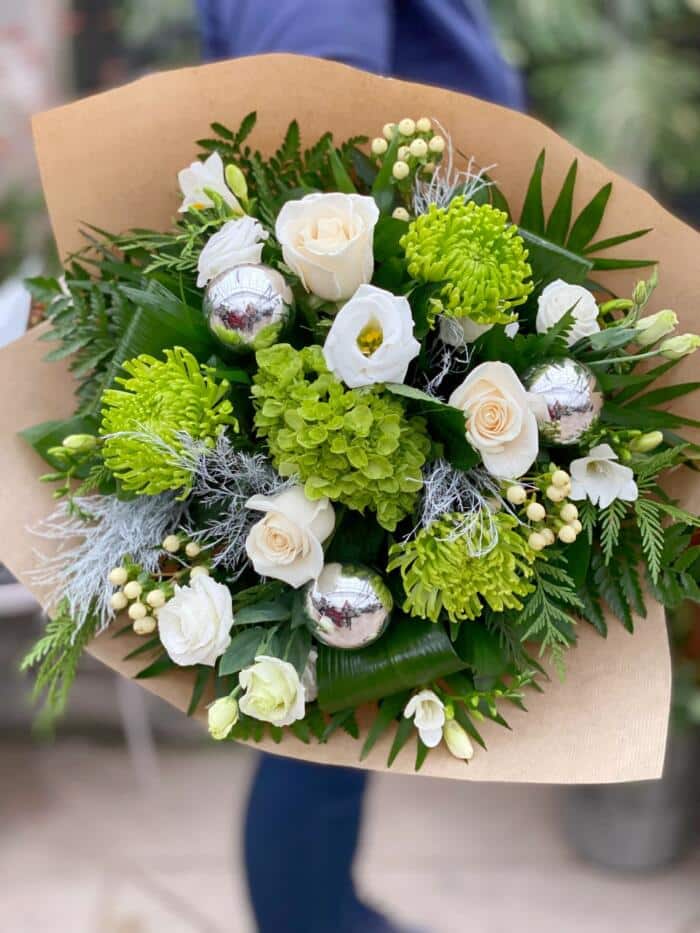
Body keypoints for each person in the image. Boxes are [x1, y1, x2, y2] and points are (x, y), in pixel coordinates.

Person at [194, 3, 524, 931]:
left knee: (322, 712)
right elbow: (315, 119)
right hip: (359, 372)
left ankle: (322, 910)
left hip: (398, 364)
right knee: (314, 711)